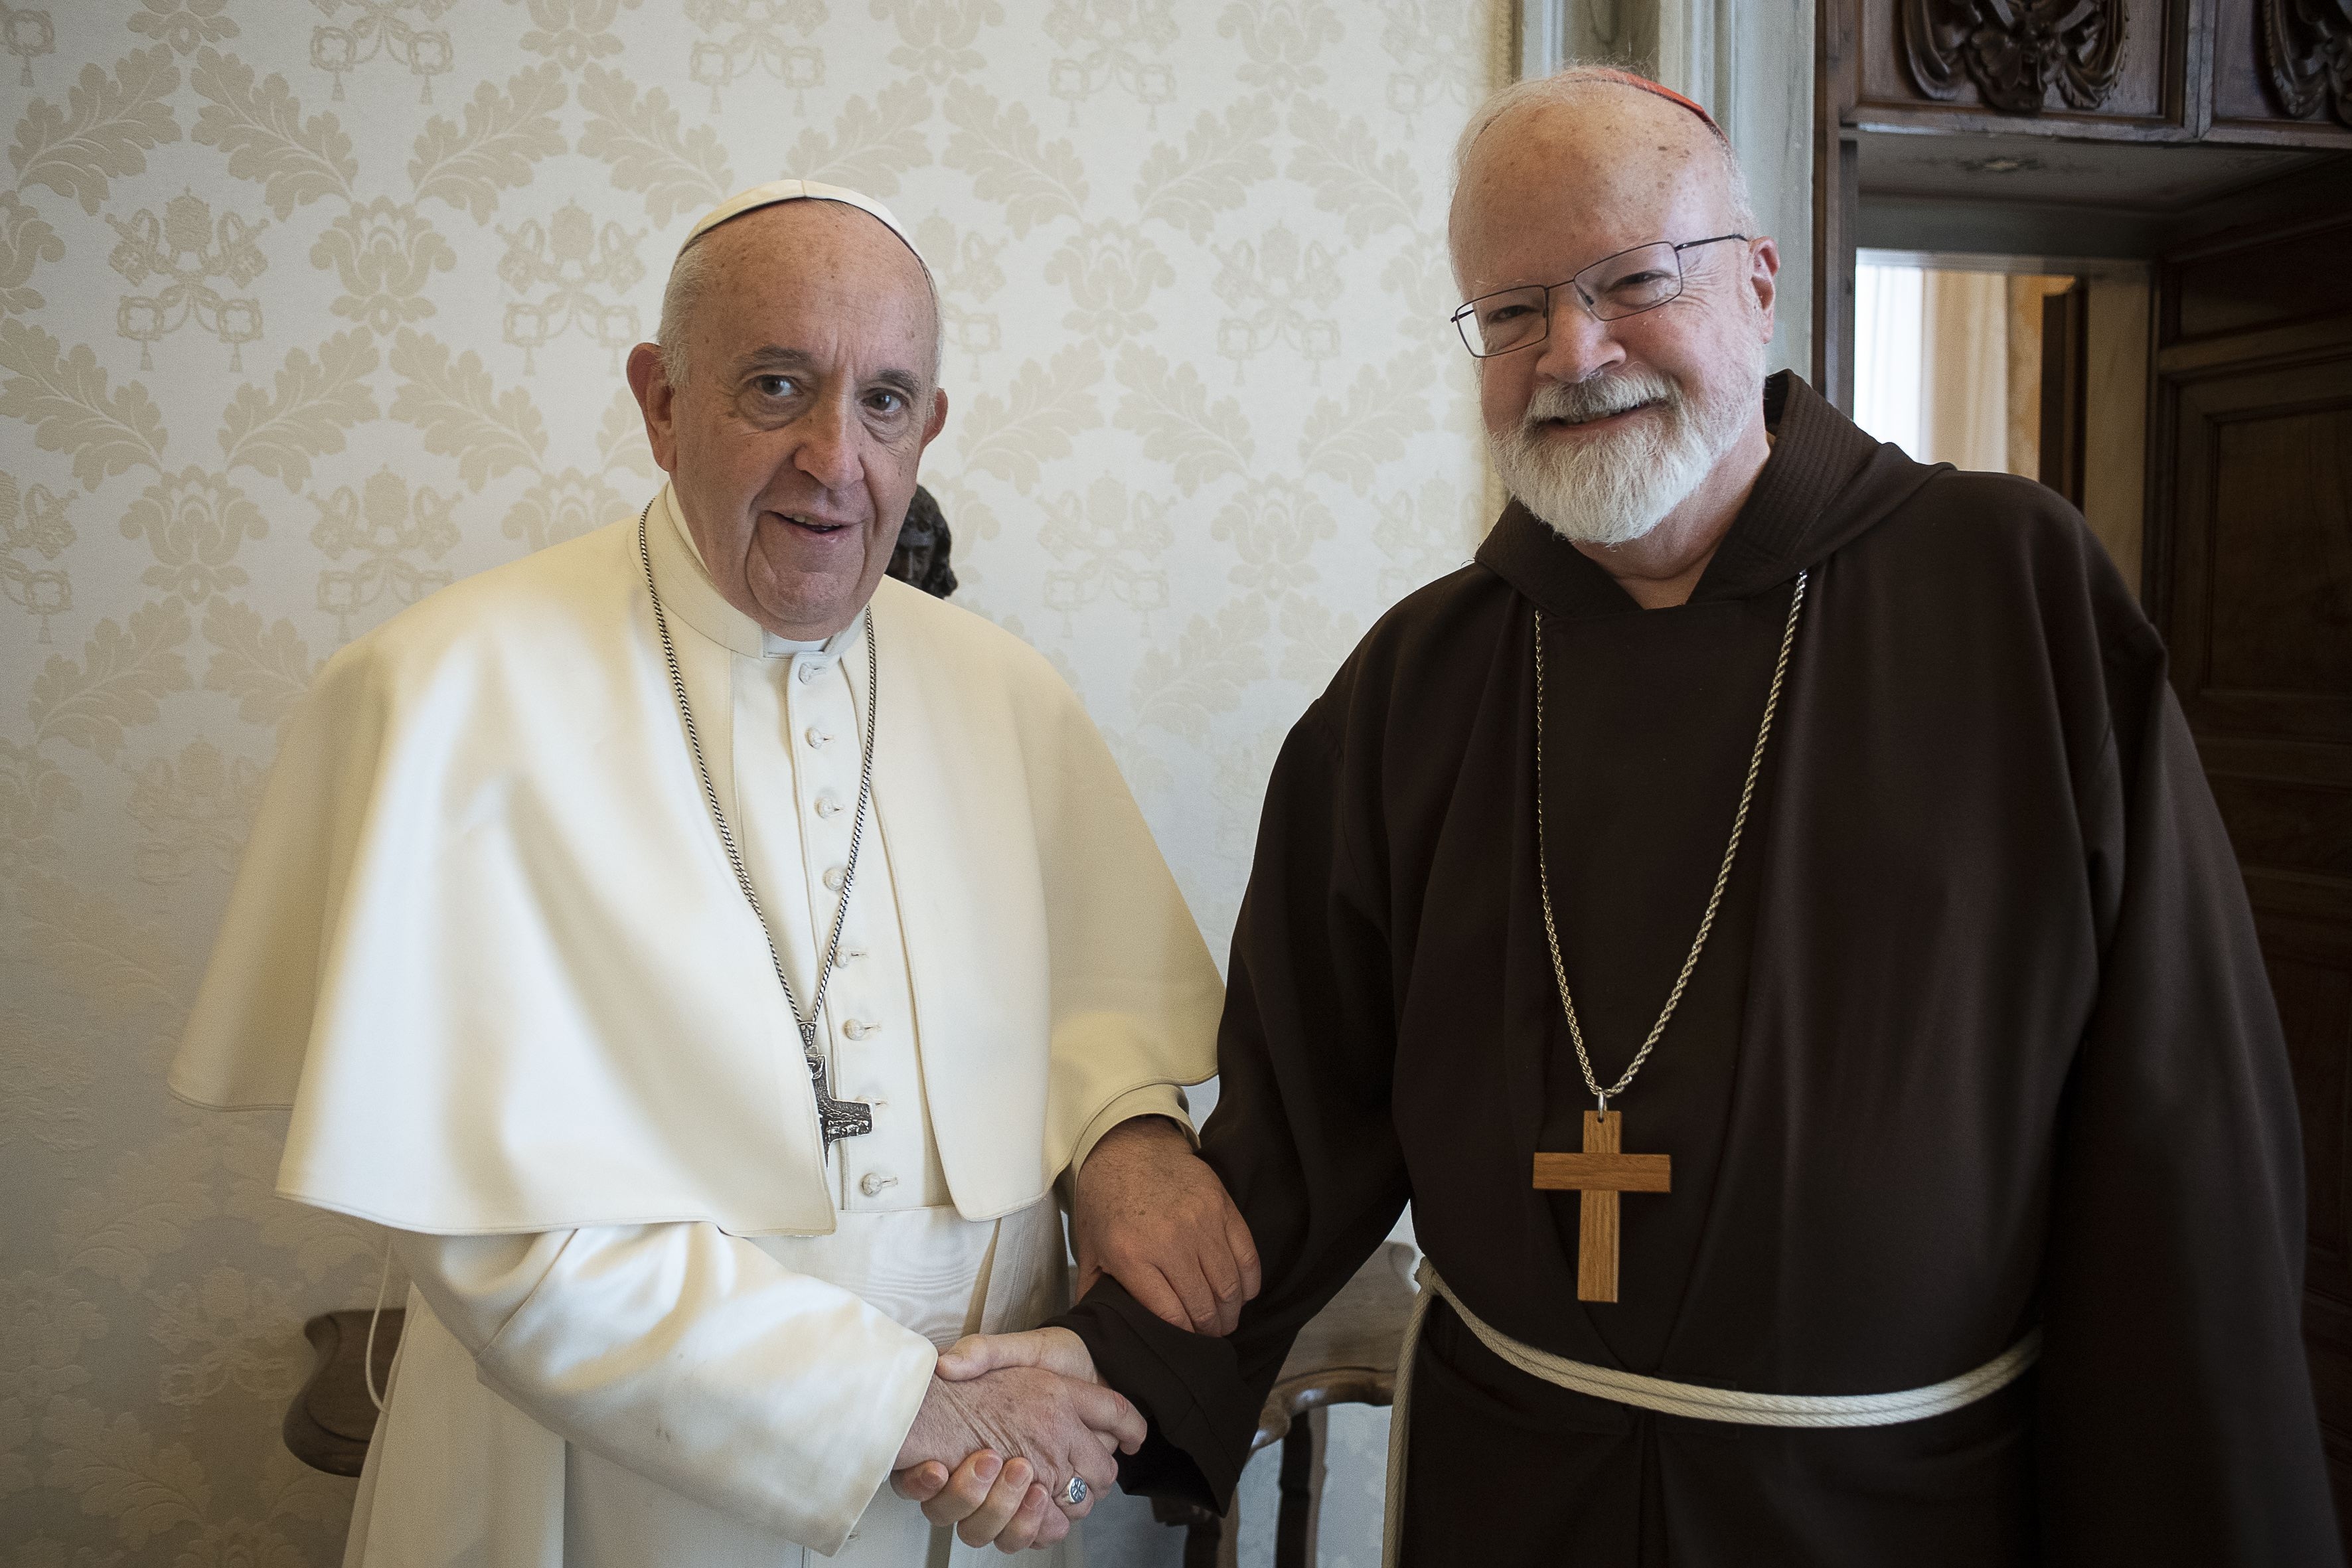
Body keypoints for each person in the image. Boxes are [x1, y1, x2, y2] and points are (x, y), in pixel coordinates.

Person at [933, 67, 2345, 1564]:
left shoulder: (2013, 594)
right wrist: (1110, 1360)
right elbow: (1302, 1128)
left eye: (1627, 281)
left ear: (1756, 285)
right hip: (1514, 1491)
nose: (1574, 351)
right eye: (1514, 311)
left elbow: (2176, 1126)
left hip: (1898, 1509)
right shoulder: (1417, 684)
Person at [169, 179, 1248, 1565]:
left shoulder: (1005, 694)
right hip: (606, 1486)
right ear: (661, 401)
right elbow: (511, 1242)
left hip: (991, 1478)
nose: (831, 458)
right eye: (777, 385)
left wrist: (1129, 1143)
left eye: (882, 401)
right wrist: (899, 1406)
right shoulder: (446, 693)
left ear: (928, 426)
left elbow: (1097, 1019)